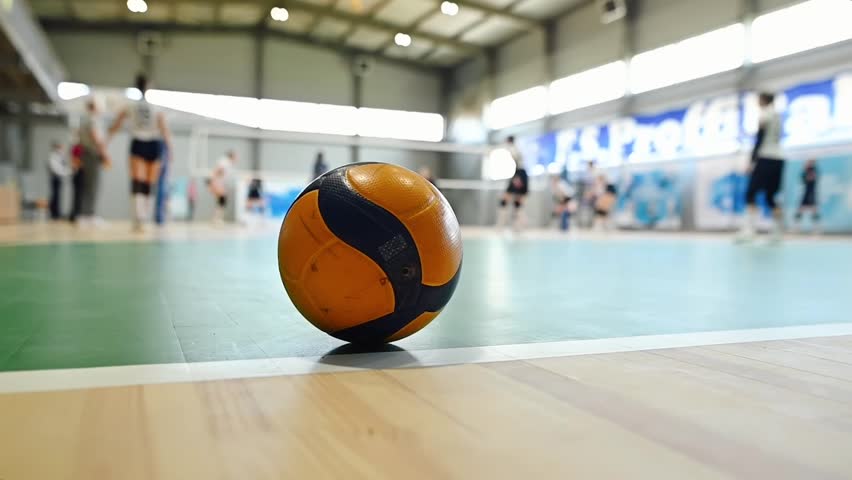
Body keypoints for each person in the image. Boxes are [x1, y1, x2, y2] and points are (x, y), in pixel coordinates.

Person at [108, 73, 173, 232]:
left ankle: (139, 218)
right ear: (149, 86)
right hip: (154, 143)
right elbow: (164, 129)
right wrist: (170, 149)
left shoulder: (130, 105)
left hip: (138, 142)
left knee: (139, 181)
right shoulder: (156, 107)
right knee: (149, 183)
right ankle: (143, 216)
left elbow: (116, 124)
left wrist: (107, 140)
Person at [737, 92, 785, 243]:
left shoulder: (765, 114)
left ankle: (749, 231)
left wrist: (752, 161)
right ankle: (777, 234)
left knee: (750, 193)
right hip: (779, 158)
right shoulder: (778, 116)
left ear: (764, 100)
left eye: (759, 99)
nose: (757, 102)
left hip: (765, 157)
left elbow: (760, 139)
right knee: (771, 196)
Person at [70, 99, 111, 226]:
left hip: (85, 154)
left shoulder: (83, 120)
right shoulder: (92, 120)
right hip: (91, 154)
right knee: (92, 186)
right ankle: (89, 215)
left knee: (87, 185)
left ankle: (84, 214)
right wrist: (104, 154)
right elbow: (95, 137)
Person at [495, 136, 528, 231]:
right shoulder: (515, 148)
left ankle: (502, 225)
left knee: (507, 200)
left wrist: (517, 178)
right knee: (517, 202)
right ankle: (518, 226)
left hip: (519, 174)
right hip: (520, 174)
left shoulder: (513, 148)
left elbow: (517, 160)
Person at [209, 150, 237, 223]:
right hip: (218, 183)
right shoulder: (225, 162)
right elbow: (217, 171)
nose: (236, 158)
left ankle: (217, 218)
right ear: (231, 156)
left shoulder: (229, 163)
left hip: (220, 183)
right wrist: (214, 183)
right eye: (235, 156)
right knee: (222, 200)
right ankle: (217, 218)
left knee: (221, 201)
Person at [793, 159, 820, 233]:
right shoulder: (805, 171)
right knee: (800, 209)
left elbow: (813, 178)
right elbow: (803, 179)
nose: (808, 163)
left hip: (812, 193)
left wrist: (809, 172)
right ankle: (796, 227)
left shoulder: (814, 170)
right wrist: (805, 169)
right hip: (806, 192)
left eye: (810, 162)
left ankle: (816, 228)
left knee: (814, 210)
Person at [47, 141, 70, 220]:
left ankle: (57, 213)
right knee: (55, 196)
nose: (61, 149)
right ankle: (54, 214)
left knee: (59, 196)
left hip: (59, 178)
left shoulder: (60, 156)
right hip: (55, 178)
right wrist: (65, 172)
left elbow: (63, 166)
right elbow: (55, 169)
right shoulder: (53, 156)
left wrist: (67, 172)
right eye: (60, 147)